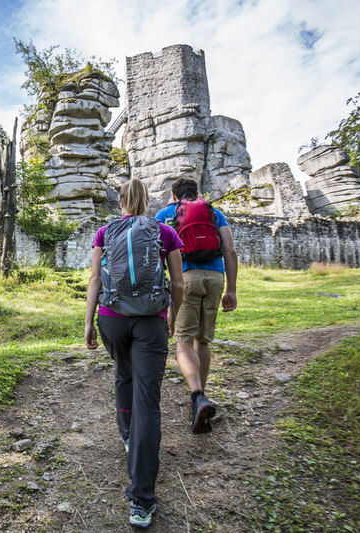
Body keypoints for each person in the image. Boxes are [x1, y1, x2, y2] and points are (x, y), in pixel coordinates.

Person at [85, 178, 184, 528]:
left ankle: (127, 436)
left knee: (123, 373)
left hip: (111, 319)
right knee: (148, 400)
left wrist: (87, 324)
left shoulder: (104, 232)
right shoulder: (165, 232)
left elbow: (96, 279)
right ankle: (141, 501)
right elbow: (178, 283)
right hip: (150, 322)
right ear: (147, 201)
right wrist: (171, 316)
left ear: (122, 202)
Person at [155, 177, 238, 434]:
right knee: (202, 341)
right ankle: (199, 402)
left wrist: (165, 300)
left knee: (182, 341)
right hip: (215, 279)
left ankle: (197, 396)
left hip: (186, 279)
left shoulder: (166, 214)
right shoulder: (214, 212)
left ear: (173, 194)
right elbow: (230, 251)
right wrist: (231, 289)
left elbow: (157, 253)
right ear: (197, 193)